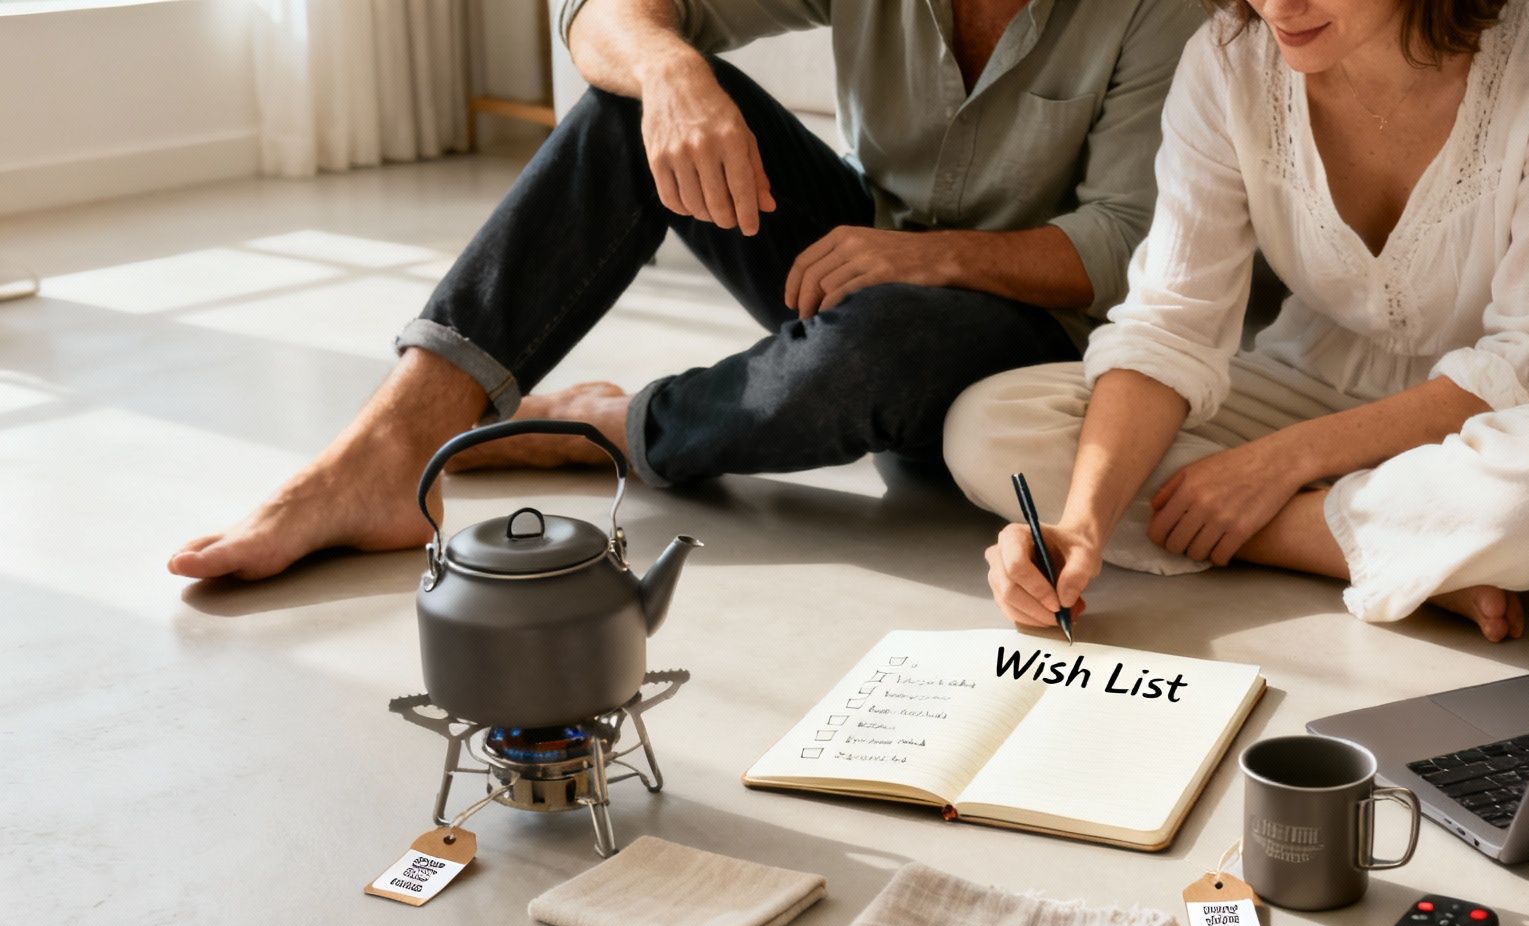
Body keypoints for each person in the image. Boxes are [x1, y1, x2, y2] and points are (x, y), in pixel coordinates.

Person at [169, 0, 1202, 581]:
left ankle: (607, 426)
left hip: (1033, 323)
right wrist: (670, 73)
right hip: (860, 257)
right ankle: (392, 445)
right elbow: (596, 10)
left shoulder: (1162, 8)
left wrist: (925, 260)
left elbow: (1119, 245)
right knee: (624, 113)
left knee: (881, 339)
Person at [954, 0, 1529, 642]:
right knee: (991, 425)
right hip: (1314, 376)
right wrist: (1081, 526)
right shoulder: (1225, 61)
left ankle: (1379, 532)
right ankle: (1408, 548)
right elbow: (1169, 325)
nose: (1277, 6)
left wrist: (1276, 464)